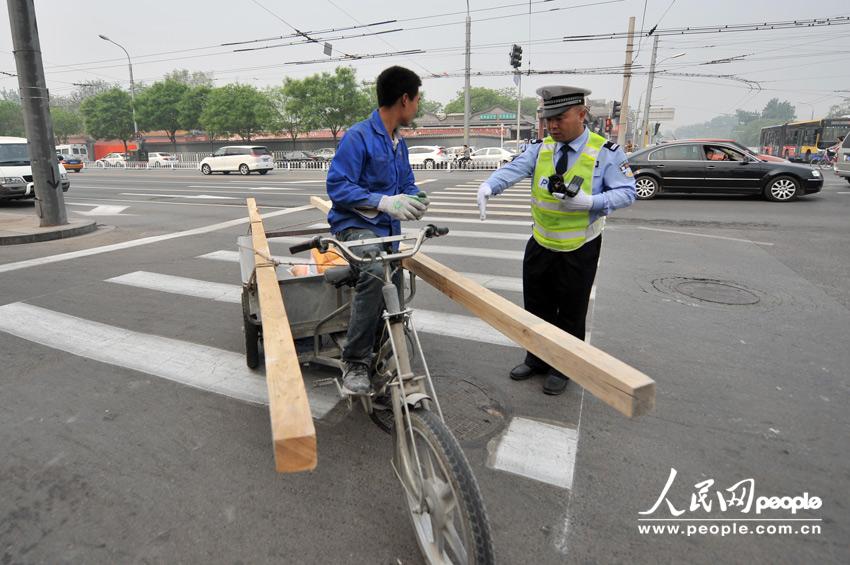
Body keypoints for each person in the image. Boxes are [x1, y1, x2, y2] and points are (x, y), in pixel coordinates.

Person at [477, 86, 636, 395]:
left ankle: (564, 366)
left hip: (579, 247)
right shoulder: (541, 148)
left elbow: (627, 192)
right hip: (541, 242)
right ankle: (536, 359)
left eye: (559, 118)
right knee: (536, 306)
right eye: (547, 118)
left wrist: (591, 202)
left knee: (571, 311)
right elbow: (514, 169)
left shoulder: (606, 152)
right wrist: (489, 186)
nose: (552, 126)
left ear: (581, 114)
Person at [326, 66, 430, 395]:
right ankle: (355, 361)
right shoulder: (358, 136)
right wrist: (383, 201)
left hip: (387, 230)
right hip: (355, 226)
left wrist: (414, 198)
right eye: (416, 99)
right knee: (373, 271)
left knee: (394, 288)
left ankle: (381, 350)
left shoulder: (399, 143)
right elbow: (337, 186)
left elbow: (407, 185)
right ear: (404, 99)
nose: (417, 106)